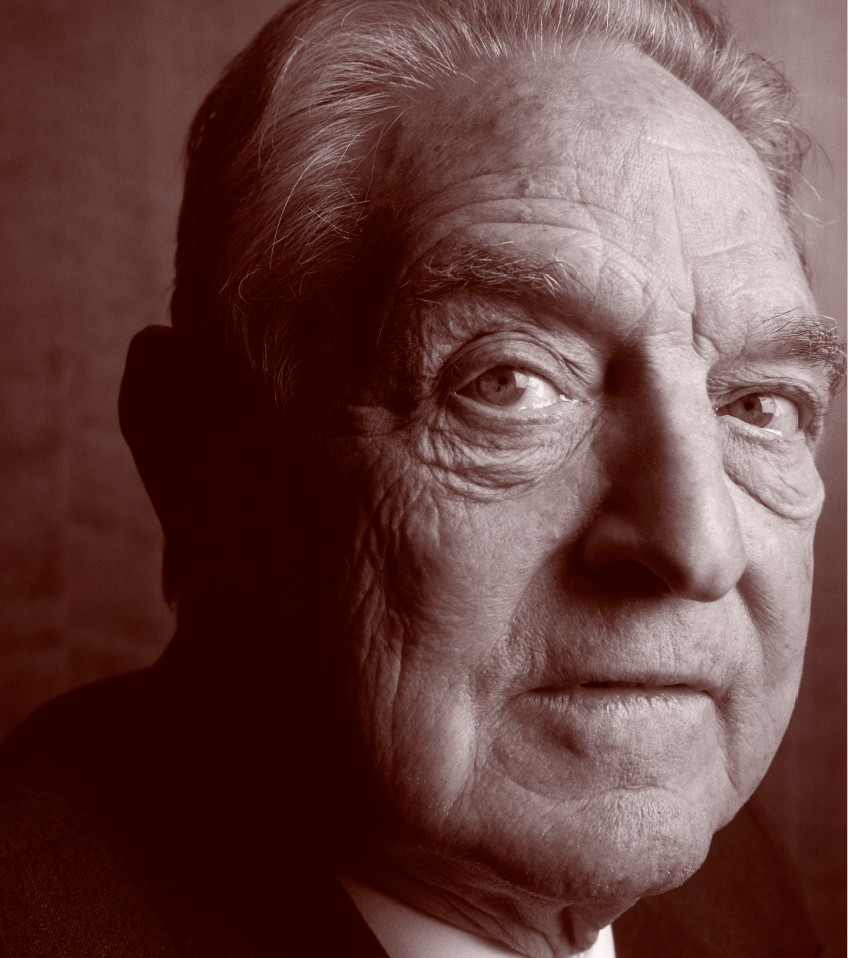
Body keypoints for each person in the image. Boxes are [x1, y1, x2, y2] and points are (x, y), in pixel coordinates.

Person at [0, 0, 843, 955]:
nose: (697, 547)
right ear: (199, 463)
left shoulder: (731, 887)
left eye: (760, 405)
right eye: (510, 380)